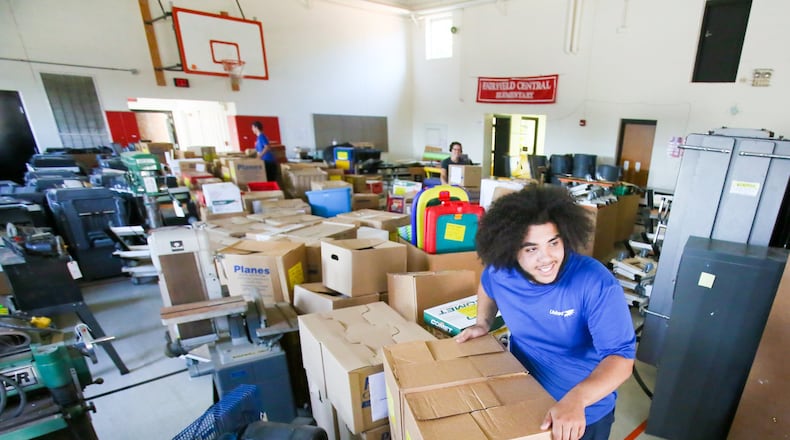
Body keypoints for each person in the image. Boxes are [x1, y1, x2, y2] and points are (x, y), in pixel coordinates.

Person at [456, 185, 636, 440]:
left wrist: (577, 399)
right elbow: (487, 284)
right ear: (510, 249)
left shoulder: (595, 283)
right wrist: (482, 323)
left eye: (553, 243)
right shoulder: (502, 272)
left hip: (582, 413)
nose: (546, 258)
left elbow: (621, 359)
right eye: (531, 249)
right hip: (524, 395)